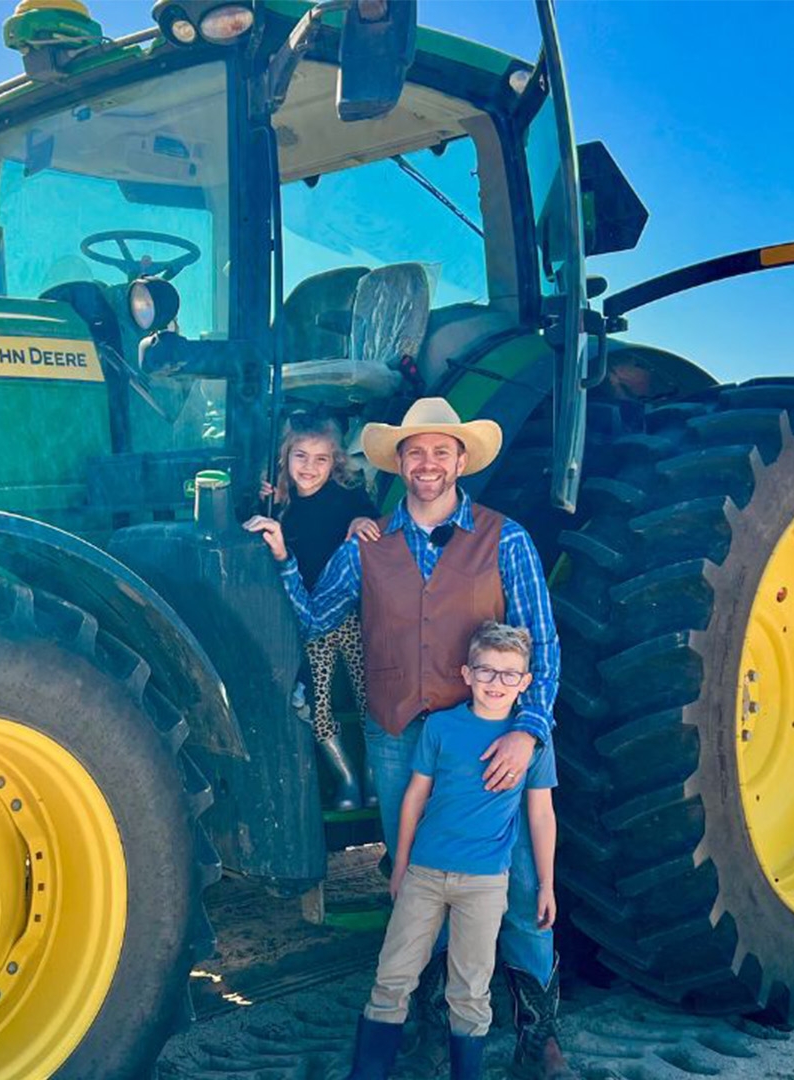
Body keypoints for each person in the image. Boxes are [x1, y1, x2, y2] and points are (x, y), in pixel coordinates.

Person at [246, 396, 575, 1079]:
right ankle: (435, 1017)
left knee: (512, 879)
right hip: (398, 737)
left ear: (460, 461)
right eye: (415, 452)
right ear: (400, 463)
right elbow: (315, 620)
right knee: (420, 883)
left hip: (486, 739)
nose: (427, 464)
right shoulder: (368, 546)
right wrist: (280, 555)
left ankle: (536, 1030)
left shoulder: (504, 538)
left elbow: (541, 641)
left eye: (440, 451)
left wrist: (528, 731)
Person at [346, 622, 557, 1080]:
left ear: (524, 682)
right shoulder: (441, 727)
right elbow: (415, 797)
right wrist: (399, 863)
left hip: (483, 885)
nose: (496, 682)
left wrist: (546, 885)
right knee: (393, 976)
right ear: (466, 673)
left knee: (470, 991)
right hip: (424, 874)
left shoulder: (532, 745)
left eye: (509, 674)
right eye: (486, 671)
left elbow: (541, 816)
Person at [251, 413, 380, 810]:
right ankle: (347, 782)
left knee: (370, 695)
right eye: (301, 457)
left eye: (321, 459)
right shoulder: (277, 505)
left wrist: (364, 519)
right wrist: (260, 499)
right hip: (308, 622)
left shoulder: (346, 497)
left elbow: (370, 517)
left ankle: (376, 776)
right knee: (317, 703)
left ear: (335, 463)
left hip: (350, 614)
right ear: (285, 459)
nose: (310, 467)